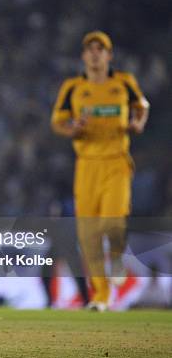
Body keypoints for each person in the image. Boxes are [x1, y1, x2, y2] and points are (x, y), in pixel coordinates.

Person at [51, 31, 149, 312]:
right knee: (88, 233)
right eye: (90, 49)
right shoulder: (73, 88)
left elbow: (142, 106)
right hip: (87, 165)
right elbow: (58, 121)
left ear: (109, 55)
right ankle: (102, 295)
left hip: (116, 161)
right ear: (83, 56)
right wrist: (73, 128)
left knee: (113, 219)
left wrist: (138, 122)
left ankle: (116, 256)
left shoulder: (124, 83)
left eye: (100, 48)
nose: (95, 53)